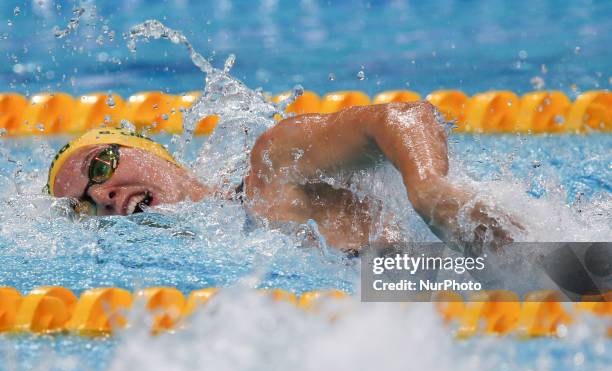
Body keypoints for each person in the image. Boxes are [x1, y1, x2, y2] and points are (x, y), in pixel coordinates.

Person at [47, 101, 521, 254]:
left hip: (485, 267)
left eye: (100, 166)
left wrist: (430, 192)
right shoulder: (220, 252)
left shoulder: (271, 168)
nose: (104, 195)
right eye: (86, 204)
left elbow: (399, 118)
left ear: (150, 153)